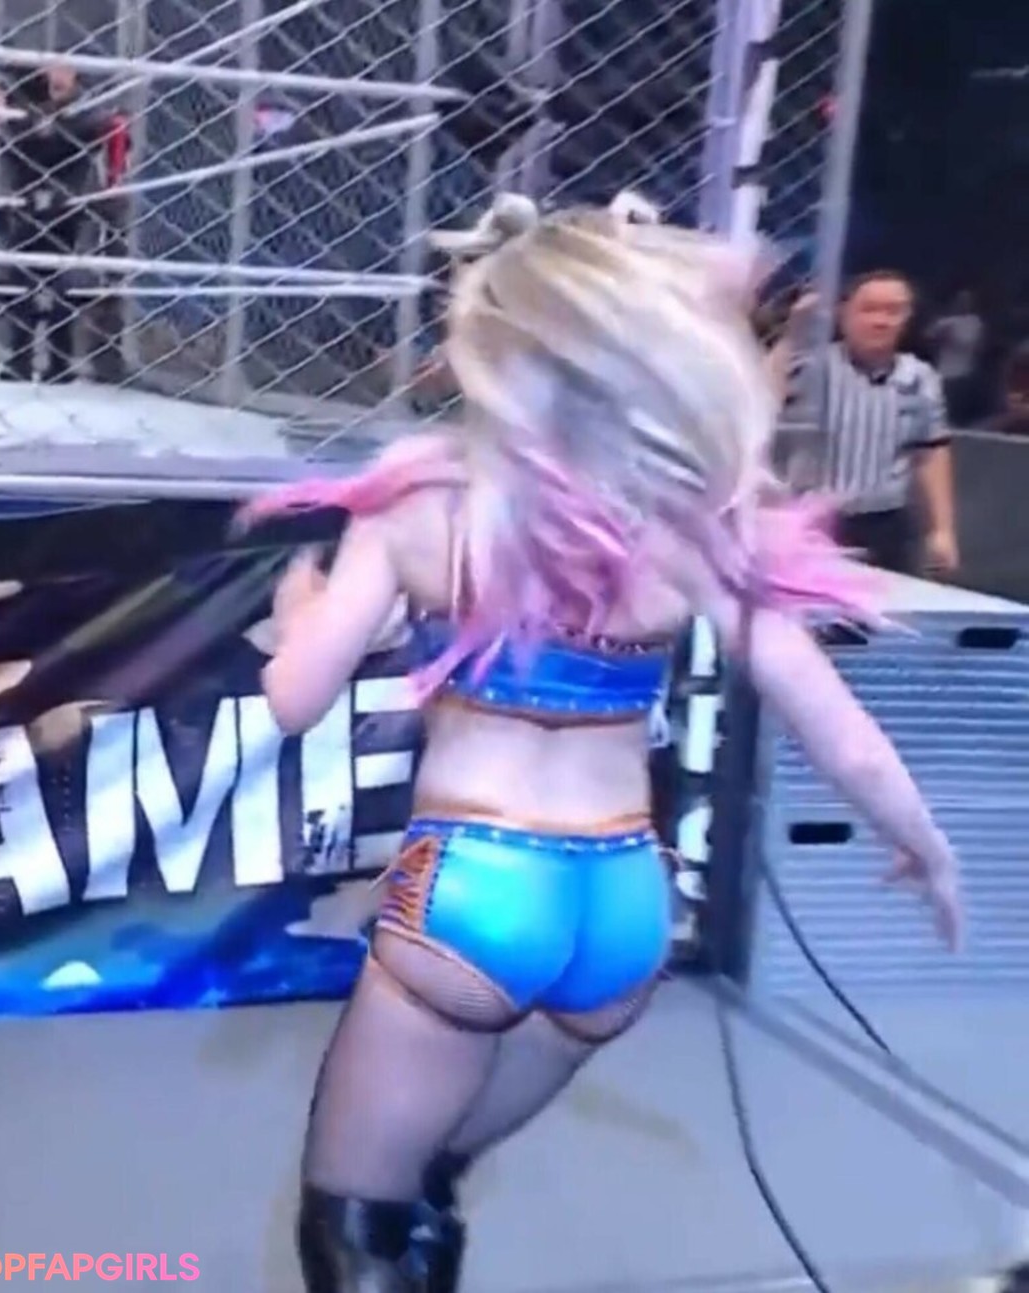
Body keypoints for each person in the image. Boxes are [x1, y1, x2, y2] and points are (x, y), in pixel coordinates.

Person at [241, 194, 962, 1293]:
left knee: (355, 1221)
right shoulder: (693, 522)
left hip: (477, 885)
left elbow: (294, 700)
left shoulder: (419, 501)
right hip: (624, 904)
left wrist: (302, 620)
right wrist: (929, 849)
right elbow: (841, 732)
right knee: (427, 1182)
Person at [782, 272, 959, 576]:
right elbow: (761, 392)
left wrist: (943, 530)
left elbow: (931, 451)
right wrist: (793, 334)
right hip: (813, 519)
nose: (881, 321)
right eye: (869, 309)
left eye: (893, 311)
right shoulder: (812, 365)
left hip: (887, 523)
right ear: (844, 313)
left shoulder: (920, 377)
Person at [0, 63, 117, 383]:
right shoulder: (28, 106)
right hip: (28, 203)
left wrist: (26, 127)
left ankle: (59, 361)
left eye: (64, 68)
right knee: (19, 278)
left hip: (69, 204)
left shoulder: (87, 109)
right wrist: (6, 121)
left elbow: (70, 142)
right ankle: (21, 357)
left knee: (63, 284)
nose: (57, 75)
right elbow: (18, 149)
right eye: (53, 68)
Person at [928, 290, 984, 427]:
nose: (964, 304)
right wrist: (940, 338)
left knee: (960, 409)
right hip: (945, 373)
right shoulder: (944, 322)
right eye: (961, 300)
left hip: (965, 373)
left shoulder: (974, 322)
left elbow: (976, 344)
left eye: (967, 301)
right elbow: (928, 337)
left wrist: (953, 338)